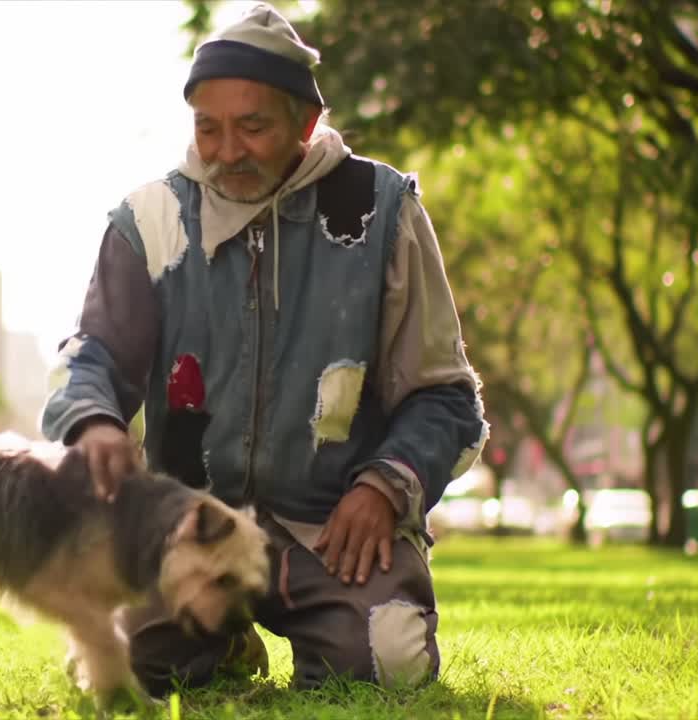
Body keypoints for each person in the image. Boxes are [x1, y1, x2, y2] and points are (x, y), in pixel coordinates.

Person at [41, 3, 488, 696]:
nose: (226, 152)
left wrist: (383, 486)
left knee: (389, 664)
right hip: (188, 528)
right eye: (208, 129)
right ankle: (219, 638)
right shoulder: (149, 221)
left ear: (305, 125)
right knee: (115, 669)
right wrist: (94, 419)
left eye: (252, 127)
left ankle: (295, 622)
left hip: (334, 528)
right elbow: (92, 353)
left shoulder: (382, 211)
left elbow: (445, 396)